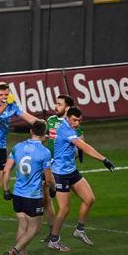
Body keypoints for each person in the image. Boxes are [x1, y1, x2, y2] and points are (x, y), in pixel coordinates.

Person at [47, 107, 115, 250]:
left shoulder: (71, 128)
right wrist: (103, 159)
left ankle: (79, 230)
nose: (77, 123)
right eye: (74, 120)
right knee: (64, 209)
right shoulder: (65, 129)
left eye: (79, 120)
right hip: (60, 174)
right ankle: (53, 240)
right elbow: (84, 146)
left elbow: (77, 146)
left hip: (71, 171)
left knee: (89, 199)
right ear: (68, 118)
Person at [0, 82, 39, 234]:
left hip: (1, 149)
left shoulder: (12, 106)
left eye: (6, 94)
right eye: (1, 95)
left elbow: (29, 118)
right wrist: (6, 104)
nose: (4, 97)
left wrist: (42, 124)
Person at [1, 120, 56, 255]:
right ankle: (13, 252)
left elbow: (6, 171)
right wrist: (53, 188)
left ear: (31, 131)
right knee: (35, 228)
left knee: (22, 226)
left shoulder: (17, 147)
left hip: (18, 195)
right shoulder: (44, 152)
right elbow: (49, 177)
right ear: (44, 134)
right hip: (33, 196)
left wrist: (6, 190)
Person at [40, 95, 84, 243]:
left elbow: (80, 146)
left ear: (67, 108)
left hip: (60, 170)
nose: (55, 106)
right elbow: (45, 138)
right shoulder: (51, 121)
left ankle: (56, 236)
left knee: (63, 206)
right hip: (47, 166)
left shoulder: (73, 124)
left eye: (59, 104)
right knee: (46, 200)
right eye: (56, 103)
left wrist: (68, 160)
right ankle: (52, 232)